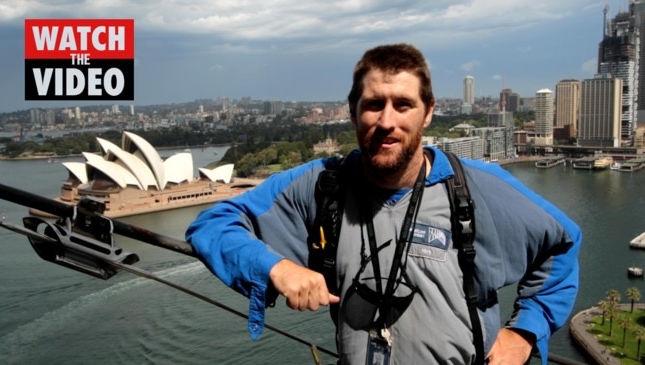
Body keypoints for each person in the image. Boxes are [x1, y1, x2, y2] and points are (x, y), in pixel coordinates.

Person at [186, 43, 581, 364]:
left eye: (403, 105)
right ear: (353, 112)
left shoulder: (476, 188)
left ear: (428, 113)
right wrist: (277, 267)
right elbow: (213, 224)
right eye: (374, 104)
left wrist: (525, 331)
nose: (387, 121)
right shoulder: (321, 187)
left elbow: (562, 242)